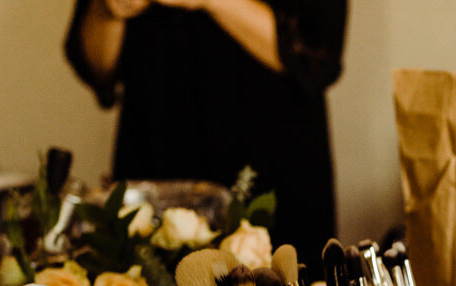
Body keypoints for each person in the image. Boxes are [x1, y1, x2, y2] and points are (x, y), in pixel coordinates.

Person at [65, 0, 345, 258]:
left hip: (274, 165)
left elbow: (319, 54)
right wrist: (111, 9)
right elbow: (97, 69)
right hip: (154, 156)